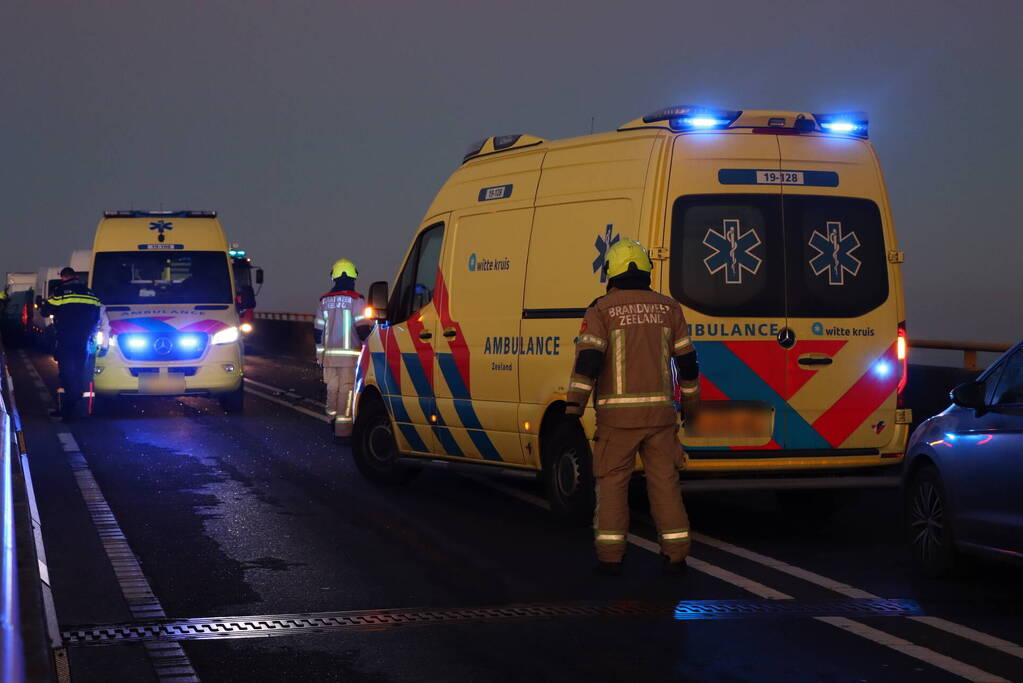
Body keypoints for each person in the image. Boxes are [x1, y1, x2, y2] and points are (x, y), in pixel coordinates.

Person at [564, 239, 700, 576]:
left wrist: (573, 410)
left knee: (612, 486)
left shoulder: (601, 309)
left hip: (617, 421)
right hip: (661, 417)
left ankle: (611, 559)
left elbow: (589, 362)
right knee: (665, 484)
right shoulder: (670, 309)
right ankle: (676, 554)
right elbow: (688, 362)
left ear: (611, 271)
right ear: (646, 270)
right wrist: (691, 405)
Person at [315, 258, 373, 438]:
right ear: (353, 278)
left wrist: (319, 356)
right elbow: (363, 328)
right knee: (347, 392)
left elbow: (317, 331)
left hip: (329, 357)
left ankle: (331, 420)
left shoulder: (324, 301)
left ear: (334, 277)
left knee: (332, 389)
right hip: (350, 357)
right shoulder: (356, 300)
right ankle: (343, 432)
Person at [40, 267, 101, 420]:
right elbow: (97, 316)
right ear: (76, 277)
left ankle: (68, 410)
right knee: (79, 373)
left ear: (63, 277)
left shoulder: (61, 292)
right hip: (84, 340)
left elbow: (45, 311)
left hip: (66, 339)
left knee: (67, 375)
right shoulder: (90, 293)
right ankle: (77, 408)